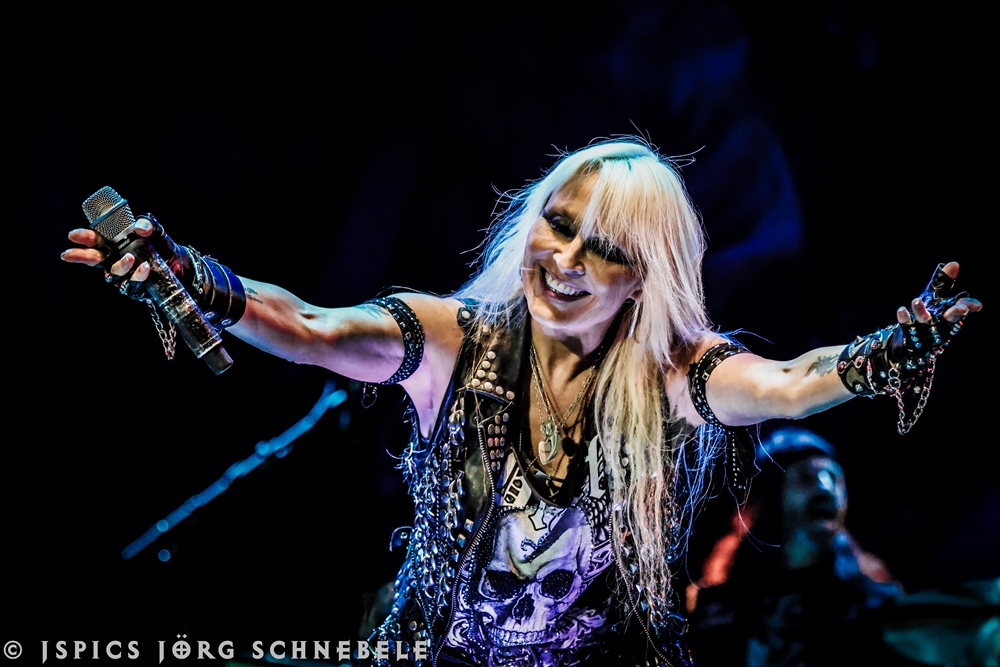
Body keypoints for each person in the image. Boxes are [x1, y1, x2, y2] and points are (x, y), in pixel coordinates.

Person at [60, 137, 982, 667]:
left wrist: (877, 357)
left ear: (643, 277)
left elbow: (786, 384)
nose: (566, 260)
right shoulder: (453, 338)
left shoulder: (670, 372)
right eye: (558, 225)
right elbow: (309, 325)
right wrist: (197, 276)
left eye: (603, 249)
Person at [684, 426, 912, 667]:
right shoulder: (716, 608)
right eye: (806, 478)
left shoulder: (874, 604)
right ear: (770, 497)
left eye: (834, 478)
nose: (825, 489)